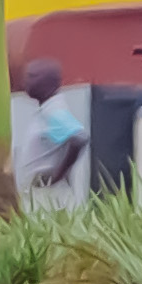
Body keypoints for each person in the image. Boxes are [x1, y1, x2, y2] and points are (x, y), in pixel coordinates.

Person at [10, 57, 88, 205]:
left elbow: (78, 138)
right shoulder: (46, 110)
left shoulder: (53, 111)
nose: (27, 82)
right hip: (41, 190)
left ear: (50, 82)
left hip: (47, 193)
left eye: (33, 77)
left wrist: (57, 175)